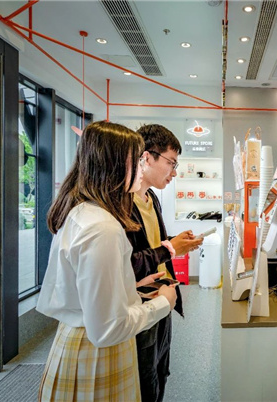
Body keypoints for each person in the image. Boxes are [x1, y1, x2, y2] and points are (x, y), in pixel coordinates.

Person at [37, 121, 177, 401]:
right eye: (137, 160)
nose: (142, 168)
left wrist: (127, 285)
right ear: (115, 165)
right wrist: (164, 302)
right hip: (95, 354)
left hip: (81, 341)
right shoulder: (102, 228)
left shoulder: (84, 213)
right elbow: (108, 329)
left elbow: (88, 290)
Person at [127, 124, 204, 402]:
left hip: (163, 300)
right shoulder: (122, 204)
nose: (174, 172)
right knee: (144, 380)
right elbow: (127, 264)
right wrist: (170, 249)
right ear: (147, 157)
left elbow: (152, 244)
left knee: (161, 371)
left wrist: (175, 242)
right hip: (141, 306)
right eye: (171, 163)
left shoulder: (152, 199)